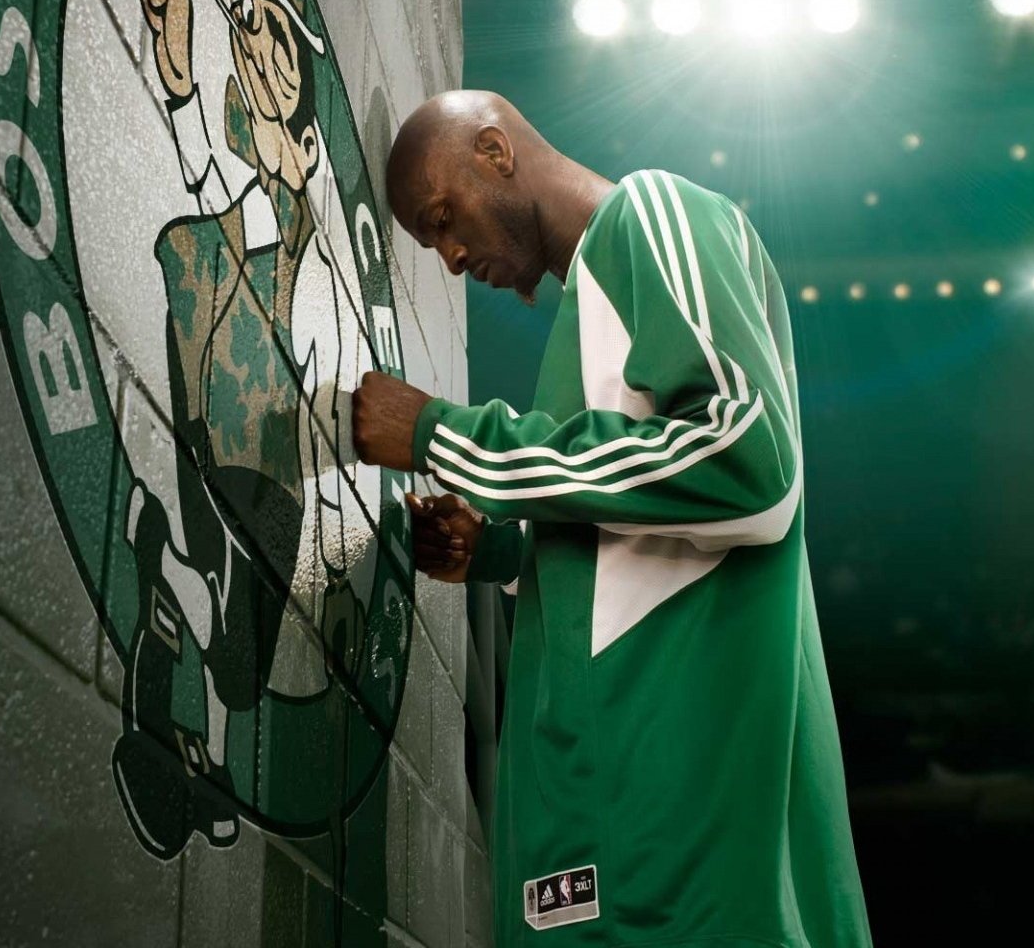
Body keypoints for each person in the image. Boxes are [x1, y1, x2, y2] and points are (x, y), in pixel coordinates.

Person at [352, 90, 873, 945]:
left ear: (495, 151)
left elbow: (746, 458)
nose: (448, 256)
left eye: (444, 217)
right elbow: (633, 533)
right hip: (614, 819)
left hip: (674, 821)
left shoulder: (650, 213)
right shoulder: (581, 325)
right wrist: (500, 547)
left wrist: (444, 436)